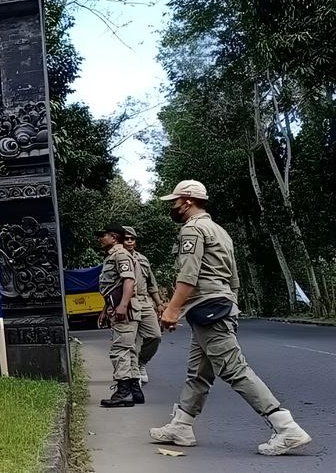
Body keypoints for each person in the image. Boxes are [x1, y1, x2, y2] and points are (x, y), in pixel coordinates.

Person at [150, 180, 312, 455]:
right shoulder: (220, 231)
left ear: (188, 201)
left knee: (234, 370)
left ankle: (286, 428)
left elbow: (188, 275)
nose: (173, 206)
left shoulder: (193, 229)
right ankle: (182, 425)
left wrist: (172, 309)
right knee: (199, 372)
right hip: (219, 305)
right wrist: (230, 304)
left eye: (175, 201)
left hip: (208, 306)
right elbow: (234, 278)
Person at [95, 223, 143, 408]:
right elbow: (113, 286)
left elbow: (128, 281)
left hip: (126, 310)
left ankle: (123, 392)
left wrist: (122, 306)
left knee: (120, 350)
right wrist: (107, 309)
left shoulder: (120, 255)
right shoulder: (114, 256)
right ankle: (135, 391)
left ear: (114, 237)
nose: (100, 238)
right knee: (129, 349)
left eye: (103, 235)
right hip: (119, 307)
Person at [122, 226, 163, 385]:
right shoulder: (118, 258)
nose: (130, 241)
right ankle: (132, 373)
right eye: (126, 239)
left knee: (155, 335)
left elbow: (151, 283)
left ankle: (141, 363)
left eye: (132, 239)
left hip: (145, 301)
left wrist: (159, 303)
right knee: (129, 340)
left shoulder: (143, 259)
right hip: (127, 302)